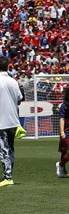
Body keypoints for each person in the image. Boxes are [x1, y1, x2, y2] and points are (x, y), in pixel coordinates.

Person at [0, 56, 23, 187]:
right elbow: (20, 98)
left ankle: (8, 176)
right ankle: (9, 174)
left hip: (2, 120)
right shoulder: (13, 81)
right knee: (10, 148)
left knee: (4, 149)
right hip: (13, 120)